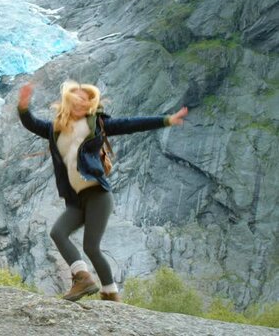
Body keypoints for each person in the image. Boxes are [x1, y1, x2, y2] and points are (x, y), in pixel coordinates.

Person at [17, 80, 188, 302]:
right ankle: (84, 278)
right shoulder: (55, 129)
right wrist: (23, 106)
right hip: (76, 200)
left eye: (85, 99)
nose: (81, 101)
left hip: (98, 195)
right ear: (68, 102)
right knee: (58, 233)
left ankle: (110, 293)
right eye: (76, 98)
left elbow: (131, 124)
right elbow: (31, 123)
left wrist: (166, 120)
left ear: (91, 103)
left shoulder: (98, 125)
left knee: (91, 246)